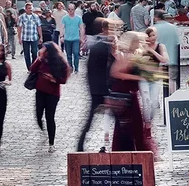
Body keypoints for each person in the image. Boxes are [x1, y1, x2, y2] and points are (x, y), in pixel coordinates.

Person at [76, 18, 114, 151]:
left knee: (90, 120)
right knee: (122, 119)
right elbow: (103, 70)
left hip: (97, 89)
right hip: (101, 90)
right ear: (105, 29)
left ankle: (80, 146)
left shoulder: (99, 46)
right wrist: (106, 90)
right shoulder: (102, 47)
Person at [110, 32, 152, 152]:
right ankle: (125, 151)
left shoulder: (133, 54)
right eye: (137, 41)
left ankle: (134, 150)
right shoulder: (123, 56)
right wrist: (137, 78)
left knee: (135, 123)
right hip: (124, 93)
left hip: (131, 93)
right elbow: (116, 73)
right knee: (127, 124)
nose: (139, 43)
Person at [29, 42, 71, 153]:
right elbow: (32, 69)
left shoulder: (60, 63)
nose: (42, 50)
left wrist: (54, 79)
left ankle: (51, 143)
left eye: (44, 48)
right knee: (38, 114)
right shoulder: (41, 60)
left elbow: (64, 79)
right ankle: (43, 130)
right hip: (40, 92)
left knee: (50, 117)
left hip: (52, 94)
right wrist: (39, 58)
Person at [138, 26, 169, 126]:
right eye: (150, 36)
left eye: (154, 35)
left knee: (154, 102)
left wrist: (151, 51)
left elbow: (164, 59)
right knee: (146, 101)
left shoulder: (160, 46)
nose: (152, 38)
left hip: (155, 77)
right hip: (143, 77)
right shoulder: (141, 46)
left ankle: (148, 119)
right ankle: (147, 124)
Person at [153, 10, 181, 93]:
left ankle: (159, 102)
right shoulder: (173, 27)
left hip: (158, 60)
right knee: (172, 81)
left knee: (158, 82)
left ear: (156, 17)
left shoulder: (154, 29)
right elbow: (177, 42)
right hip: (172, 58)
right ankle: (172, 100)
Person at [17, 1, 43, 70]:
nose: (30, 9)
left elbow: (39, 27)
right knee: (26, 54)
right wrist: (19, 38)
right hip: (25, 38)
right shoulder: (21, 17)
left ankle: (34, 66)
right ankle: (29, 68)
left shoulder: (36, 16)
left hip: (34, 37)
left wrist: (41, 37)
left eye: (31, 8)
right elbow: (19, 28)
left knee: (34, 52)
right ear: (25, 9)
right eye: (28, 8)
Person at [61, 3, 84, 73]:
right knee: (68, 54)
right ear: (67, 10)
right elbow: (62, 27)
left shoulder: (78, 18)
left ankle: (76, 68)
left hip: (76, 39)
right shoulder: (64, 18)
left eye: (72, 9)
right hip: (67, 39)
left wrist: (81, 37)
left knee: (76, 53)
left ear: (74, 10)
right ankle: (70, 67)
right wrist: (61, 36)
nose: (71, 11)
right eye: (69, 9)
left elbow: (81, 28)